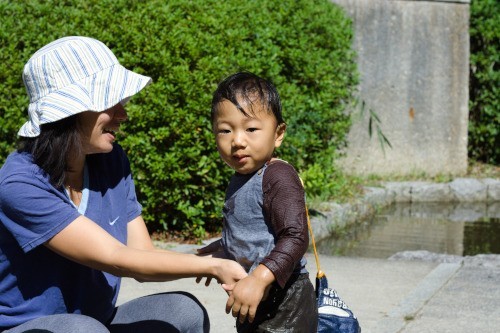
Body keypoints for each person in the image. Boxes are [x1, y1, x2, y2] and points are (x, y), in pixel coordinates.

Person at [0, 36, 247, 333]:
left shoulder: (110, 160)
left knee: (183, 312)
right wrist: (213, 268)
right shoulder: (19, 184)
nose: (123, 115)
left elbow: (143, 256)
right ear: (68, 113)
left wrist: (214, 256)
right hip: (29, 328)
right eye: (109, 103)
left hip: (97, 324)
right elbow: (117, 259)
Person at [198, 72, 318, 332]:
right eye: (225, 130)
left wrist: (260, 277)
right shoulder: (241, 177)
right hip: (253, 296)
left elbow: (295, 235)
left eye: (251, 129)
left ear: (278, 134)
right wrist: (225, 247)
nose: (238, 140)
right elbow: (257, 229)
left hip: (286, 302)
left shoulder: (278, 175)